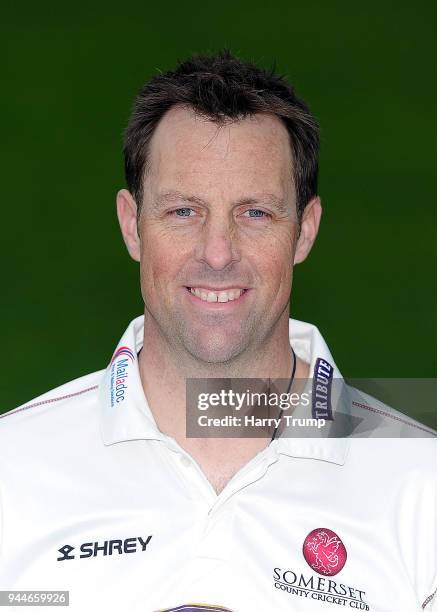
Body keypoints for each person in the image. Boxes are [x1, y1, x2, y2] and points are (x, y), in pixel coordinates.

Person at [0, 50, 436, 612]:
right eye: (184, 211)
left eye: (255, 213)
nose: (217, 254)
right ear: (132, 226)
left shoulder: (421, 486)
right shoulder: (11, 470)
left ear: (305, 231)